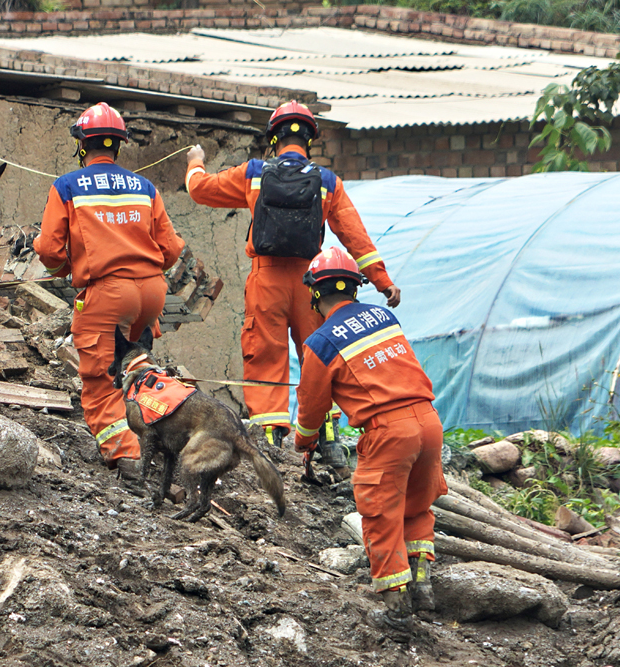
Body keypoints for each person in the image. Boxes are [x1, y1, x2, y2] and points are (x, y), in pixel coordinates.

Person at [184, 100, 401, 456]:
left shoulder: (254, 173)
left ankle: (271, 437)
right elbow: (355, 237)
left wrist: (195, 161)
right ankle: (328, 436)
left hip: (265, 280)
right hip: (312, 284)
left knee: (265, 353)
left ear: (274, 139)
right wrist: (382, 280)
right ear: (310, 142)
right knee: (321, 356)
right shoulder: (328, 182)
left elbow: (200, 190)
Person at [293, 247, 446, 639]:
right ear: (356, 289)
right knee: (416, 504)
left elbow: (311, 408)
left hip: (388, 431)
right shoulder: (384, 317)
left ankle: (397, 612)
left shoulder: (321, 342)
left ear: (314, 294)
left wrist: (304, 441)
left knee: (380, 514)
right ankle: (422, 584)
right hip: (429, 422)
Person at [34, 102, 185, 479]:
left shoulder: (67, 186)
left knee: (100, 379)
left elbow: (49, 251)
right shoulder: (144, 188)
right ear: (117, 146)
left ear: (83, 146)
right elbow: (171, 249)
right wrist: (145, 272)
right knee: (139, 370)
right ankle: (164, 437)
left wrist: (70, 271)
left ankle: (129, 456)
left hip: (106, 294)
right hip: (151, 293)